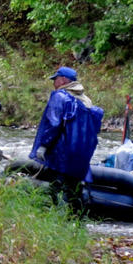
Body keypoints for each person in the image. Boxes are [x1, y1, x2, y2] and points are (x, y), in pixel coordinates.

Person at [29, 66, 104, 210]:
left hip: (62, 153)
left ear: (63, 80)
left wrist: (43, 146)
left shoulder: (60, 97)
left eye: (55, 79)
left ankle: (55, 217)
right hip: (81, 154)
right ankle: (76, 221)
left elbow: (53, 123)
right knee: (74, 189)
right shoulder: (86, 100)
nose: (53, 83)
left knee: (55, 186)